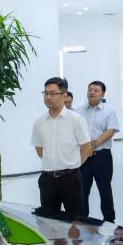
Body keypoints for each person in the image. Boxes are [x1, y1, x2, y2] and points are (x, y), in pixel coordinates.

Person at [31, 77, 92, 219]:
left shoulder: (76, 119)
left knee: (75, 222)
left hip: (70, 179)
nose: (48, 97)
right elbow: (39, 149)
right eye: (46, 93)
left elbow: (86, 147)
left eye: (53, 93)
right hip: (47, 180)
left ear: (64, 96)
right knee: (49, 222)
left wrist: (73, 165)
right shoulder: (39, 122)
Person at [77, 81, 120, 222]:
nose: (92, 92)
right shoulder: (78, 111)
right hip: (83, 157)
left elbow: (111, 130)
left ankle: (109, 220)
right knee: (82, 190)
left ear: (103, 94)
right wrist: (85, 148)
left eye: (96, 90)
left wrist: (93, 145)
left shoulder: (109, 111)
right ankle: (82, 219)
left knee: (104, 189)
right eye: (90, 89)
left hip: (102, 156)